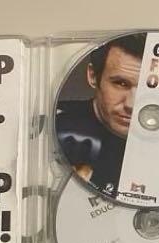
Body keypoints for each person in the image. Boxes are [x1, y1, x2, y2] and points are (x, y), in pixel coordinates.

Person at [54, 34, 146, 198]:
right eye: (120, 83)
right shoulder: (54, 126)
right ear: (93, 76)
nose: (131, 105)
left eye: (149, 87)